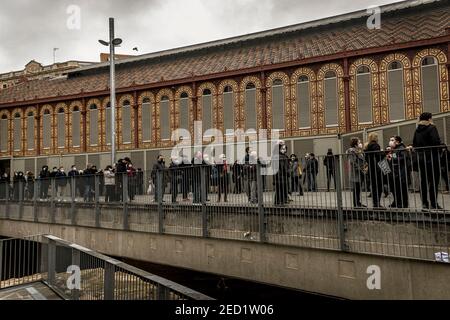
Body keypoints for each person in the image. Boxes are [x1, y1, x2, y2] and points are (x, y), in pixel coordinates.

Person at [413, 112, 444, 210]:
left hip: (421, 159)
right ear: (429, 119)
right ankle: (434, 203)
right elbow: (435, 142)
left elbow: (415, 144)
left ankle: (424, 203)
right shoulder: (432, 128)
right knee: (433, 181)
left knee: (423, 182)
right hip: (432, 158)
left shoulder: (417, 130)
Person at [388, 136, 409, 208]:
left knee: (402, 188)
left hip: (401, 171)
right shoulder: (395, 149)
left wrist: (393, 158)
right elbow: (394, 157)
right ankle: (397, 202)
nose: (391, 141)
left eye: (393, 140)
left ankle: (403, 203)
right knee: (395, 188)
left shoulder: (402, 148)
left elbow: (403, 157)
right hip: (395, 171)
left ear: (397, 141)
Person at [365, 133, 385, 208]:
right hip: (377, 169)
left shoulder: (367, 146)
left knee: (373, 187)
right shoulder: (376, 145)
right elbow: (379, 156)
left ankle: (375, 203)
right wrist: (384, 153)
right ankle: (377, 204)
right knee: (378, 186)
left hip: (371, 168)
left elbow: (366, 158)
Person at [346, 137, 366, 208]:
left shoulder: (358, 150)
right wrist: (360, 169)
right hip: (356, 173)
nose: (360, 143)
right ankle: (356, 204)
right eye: (359, 142)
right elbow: (352, 162)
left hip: (359, 172)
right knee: (356, 189)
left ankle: (358, 202)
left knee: (358, 189)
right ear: (355, 144)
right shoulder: (352, 151)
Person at [273, 141, 290, 206]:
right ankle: (280, 202)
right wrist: (288, 172)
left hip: (279, 175)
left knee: (280, 189)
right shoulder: (280, 156)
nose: (284, 149)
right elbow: (283, 167)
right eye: (282, 148)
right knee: (281, 189)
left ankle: (279, 201)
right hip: (281, 175)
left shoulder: (280, 155)